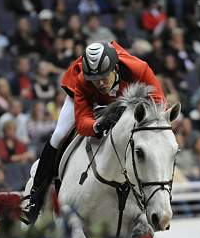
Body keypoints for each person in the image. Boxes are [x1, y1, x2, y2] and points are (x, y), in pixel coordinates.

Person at [24, 41, 166, 221]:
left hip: (126, 100)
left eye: (104, 77)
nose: (99, 83)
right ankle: (34, 199)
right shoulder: (84, 80)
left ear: (115, 69)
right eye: (95, 79)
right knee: (59, 134)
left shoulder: (139, 69)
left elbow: (159, 103)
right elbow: (83, 120)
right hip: (90, 100)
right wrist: (97, 126)